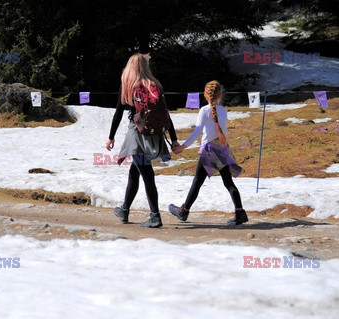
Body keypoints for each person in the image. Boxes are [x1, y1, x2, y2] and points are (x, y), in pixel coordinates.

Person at [106, 53, 180, 228]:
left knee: (147, 174)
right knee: (135, 171)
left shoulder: (129, 86)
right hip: (154, 135)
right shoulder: (154, 85)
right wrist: (174, 139)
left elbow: (118, 113)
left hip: (137, 137)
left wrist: (111, 137)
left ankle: (155, 216)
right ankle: (124, 210)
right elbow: (165, 115)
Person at [169, 80, 248, 225]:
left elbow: (198, 131)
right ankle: (240, 212)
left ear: (206, 95)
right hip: (222, 148)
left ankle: (184, 211)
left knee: (197, 181)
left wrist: (183, 147)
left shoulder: (204, 111)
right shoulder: (223, 110)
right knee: (228, 182)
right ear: (220, 95)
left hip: (209, 150)